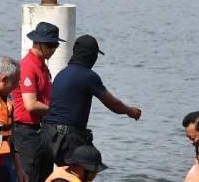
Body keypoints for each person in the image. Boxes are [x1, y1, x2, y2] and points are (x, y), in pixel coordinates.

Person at [41, 35, 141, 166]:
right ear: (91, 56)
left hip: (48, 137)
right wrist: (130, 111)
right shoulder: (88, 76)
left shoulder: (62, 73)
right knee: (89, 166)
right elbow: (113, 104)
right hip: (66, 141)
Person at [13, 22, 63, 182]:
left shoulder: (43, 66)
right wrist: (58, 109)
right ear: (39, 43)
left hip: (41, 131)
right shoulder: (28, 67)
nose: (54, 49)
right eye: (51, 45)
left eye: (55, 45)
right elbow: (31, 104)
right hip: (26, 132)